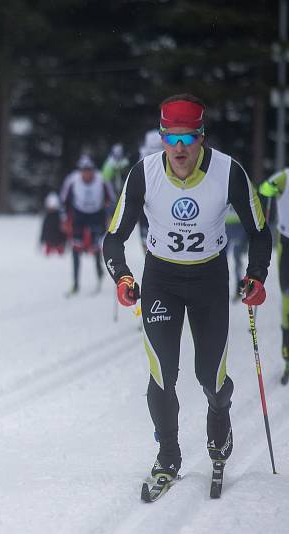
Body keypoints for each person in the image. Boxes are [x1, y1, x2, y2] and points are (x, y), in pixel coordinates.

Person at [103, 94, 271, 485]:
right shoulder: (144, 174)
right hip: (162, 279)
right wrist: (124, 277)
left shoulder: (229, 172)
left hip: (210, 280)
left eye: (188, 139)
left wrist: (257, 277)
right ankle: (168, 454)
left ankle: (219, 416)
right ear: (161, 137)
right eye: (171, 138)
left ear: (201, 137)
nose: (179, 149)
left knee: (210, 377)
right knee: (162, 373)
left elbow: (259, 233)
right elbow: (113, 238)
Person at [60, 154, 115, 294]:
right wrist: (64, 219)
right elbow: (63, 201)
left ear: (93, 170)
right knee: (76, 247)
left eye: (89, 170)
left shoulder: (101, 179)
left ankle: (99, 272)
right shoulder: (72, 180)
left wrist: (110, 217)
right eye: (84, 170)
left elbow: (112, 200)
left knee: (96, 245)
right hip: (80, 214)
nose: (87, 173)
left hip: (97, 214)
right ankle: (76, 283)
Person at [258, 168, 289, 383]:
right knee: (287, 303)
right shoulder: (286, 176)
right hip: (287, 244)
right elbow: (265, 189)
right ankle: (288, 360)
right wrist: (271, 188)